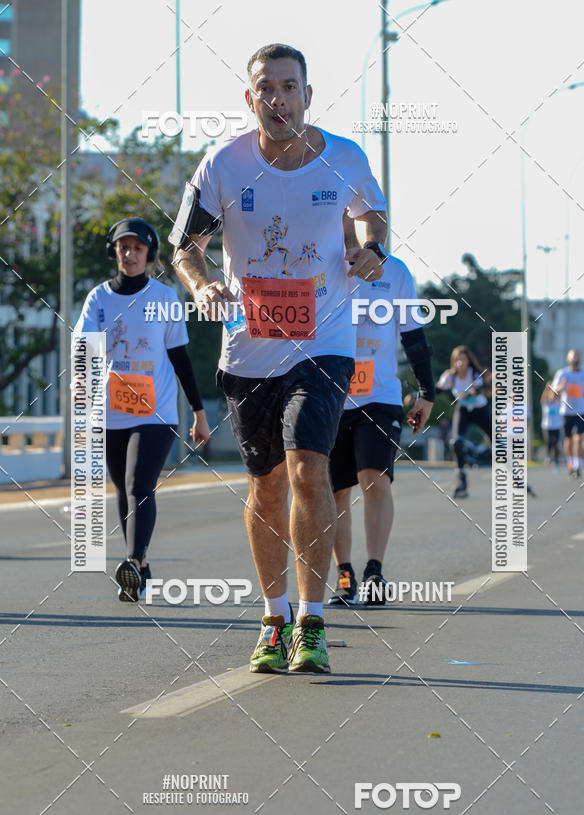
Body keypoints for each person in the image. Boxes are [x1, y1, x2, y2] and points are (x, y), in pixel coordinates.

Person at [171, 44, 387, 673]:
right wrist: (202, 283)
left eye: (289, 87)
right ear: (250, 99)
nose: (278, 99)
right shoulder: (223, 165)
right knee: (265, 486)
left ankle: (311, 623)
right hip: (248, 346)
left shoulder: (343, 157)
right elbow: (187, 244)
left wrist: (371, 250)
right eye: (265, 88)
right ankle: (273, 618)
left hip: (323, 339)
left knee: (306, 470)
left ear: (307, 96)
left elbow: (372, 220)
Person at [74, 218, 210, 602]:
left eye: (137, 248)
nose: (129, 254)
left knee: (139, 485)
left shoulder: (165, 298)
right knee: (123, 489)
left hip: (157, 412)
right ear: (114, 252)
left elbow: (180, 357)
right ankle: (142, 566)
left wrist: (198, 414)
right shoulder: (98, 299)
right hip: (111, 410)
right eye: (123, 247)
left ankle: (132, 560)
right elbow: (85, 348)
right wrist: (80, 384)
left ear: (149, 254)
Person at [327, 247, 434, 606]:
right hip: (329, 394)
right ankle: (345, 573)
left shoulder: (395, 272)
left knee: (374, 478)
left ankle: (375, 569)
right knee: (335, 490)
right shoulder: (320, 260)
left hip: (380, 395)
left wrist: (426, 391)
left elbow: (413, 335)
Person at [437, 346, 491, 498]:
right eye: (457, 360)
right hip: (464, 411)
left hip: (480, 411)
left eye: (463, 359)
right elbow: (437, 389)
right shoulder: (450, 376)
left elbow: (477, 389)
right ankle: (462, 480)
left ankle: (514, 476)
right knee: (457, 442)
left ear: (468, 361)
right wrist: (417, 395)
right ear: (453, 362)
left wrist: (467, 394)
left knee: (496, 443)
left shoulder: (474, 373)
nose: (460, 363)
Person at [551, 349, 584, 477]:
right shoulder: (562, 373)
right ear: (568, 359)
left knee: (578, 437)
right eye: (573, 357)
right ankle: (570, 463)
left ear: (579, 359)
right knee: (568, 439)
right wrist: (561, 386)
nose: (575, 359)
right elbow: (554, 392)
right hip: (566, 411)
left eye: (577, 357)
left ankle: (578, 465)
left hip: (582, 410)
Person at [540, 386, 561, 469]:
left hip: (556, 426)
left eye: (554, 396)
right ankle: (548, 457)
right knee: (549, 442)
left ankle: (556, 459)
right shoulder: (546, 403)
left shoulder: (557, 403)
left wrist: (555, 388)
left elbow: (559, 395)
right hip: (547, 426)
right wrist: (547, 388)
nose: (552, 397)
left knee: (555, 442)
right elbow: (543, 397)